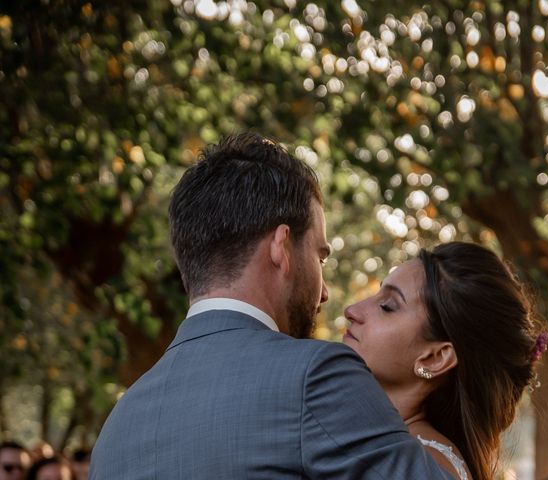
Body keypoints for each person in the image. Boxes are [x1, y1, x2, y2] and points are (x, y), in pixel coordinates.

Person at [90, 132, 448, 478]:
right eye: (320, 258)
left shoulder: (117, 427)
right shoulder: (315, 377)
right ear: (281, 247)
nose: (325, 295)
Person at [344, 241, 548, 480]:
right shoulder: (385, 444)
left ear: (435, 358)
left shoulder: (421, 468)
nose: (352, 310)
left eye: (387, 306)